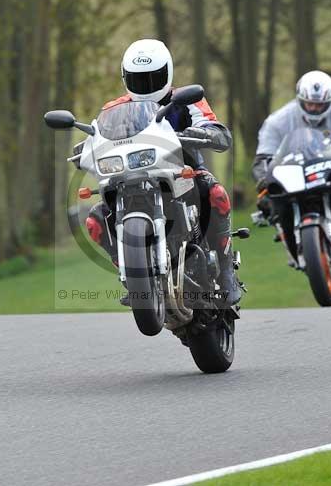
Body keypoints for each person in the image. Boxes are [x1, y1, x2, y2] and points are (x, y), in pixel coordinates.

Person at [84, 39, 242, 306]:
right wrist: (85, 148)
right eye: (138, 79)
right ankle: (131, 275)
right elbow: (100, 137)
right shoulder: (115, 109)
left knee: (215, 193)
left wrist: (205, 132)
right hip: (131, 175)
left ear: (167, 73)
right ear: (126, 78)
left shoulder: (187, 99)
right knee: (96, 220)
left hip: (186, 172)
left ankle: (226, 271)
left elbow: (214, 127)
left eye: (152, 78)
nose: (145, 86)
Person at [251, 70, 331, 255]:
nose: (313, 108)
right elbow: (262, 159)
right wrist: (264, 178)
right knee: (266, 198)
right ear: (299, 99)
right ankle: (287, 232)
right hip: (295, 177)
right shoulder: (277, 121)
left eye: (319, 105)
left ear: (330, 100)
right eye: (309, 104)